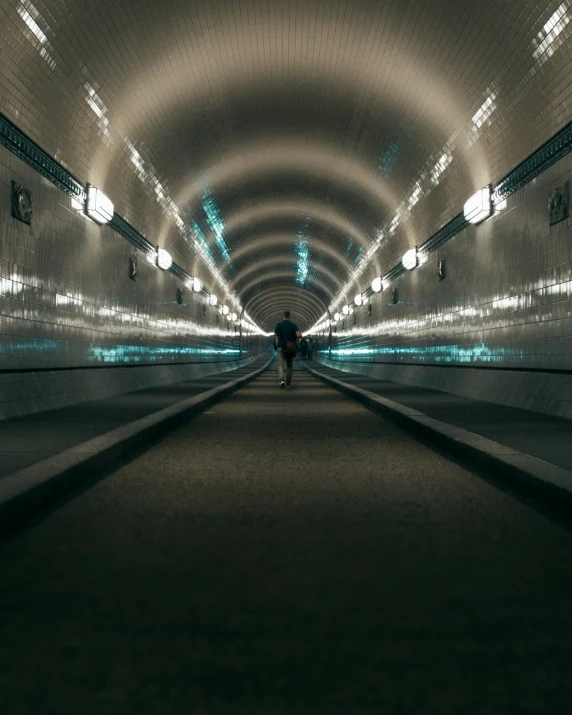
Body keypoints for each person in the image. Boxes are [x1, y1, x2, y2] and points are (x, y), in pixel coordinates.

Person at [274, 310, 302, 388]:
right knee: (289, 366)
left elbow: (275, 336)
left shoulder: (278, 325)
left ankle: (282, 380)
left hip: (280, 347)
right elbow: (299, 335)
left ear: (283, 316)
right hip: (290, 348)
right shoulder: (293, 325)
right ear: (289, 316)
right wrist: (297, 338)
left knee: (281, 365)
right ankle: (288, 383)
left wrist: (275, 345)